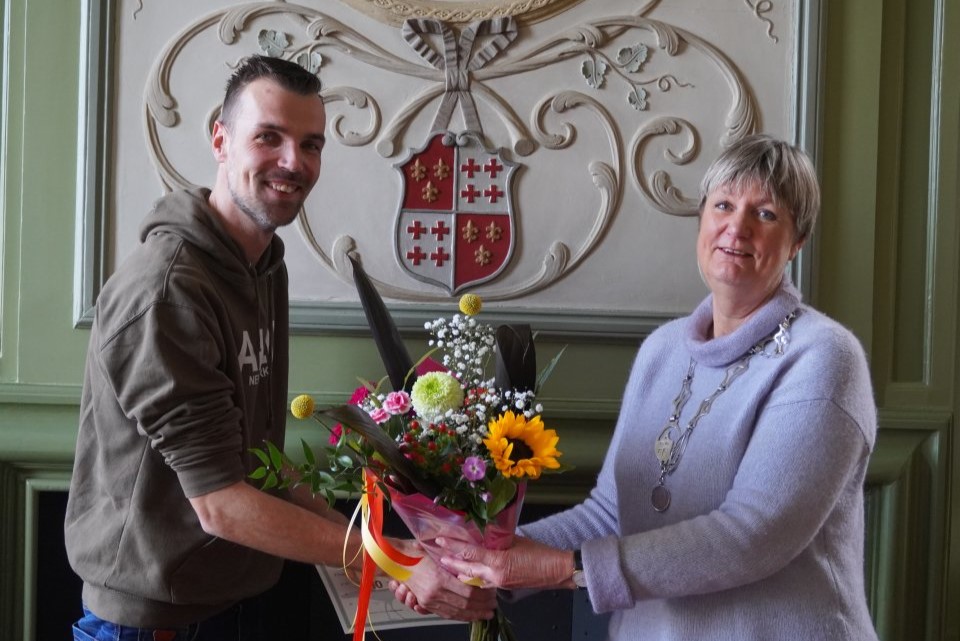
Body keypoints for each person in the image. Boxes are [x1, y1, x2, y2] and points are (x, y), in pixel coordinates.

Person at [64, 54, 494, 641]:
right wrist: (392, 557)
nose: (294, 162)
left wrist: (380, 545)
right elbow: (218, 501)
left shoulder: (264, 266)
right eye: (269, 137)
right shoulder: (169, 294)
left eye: (311, 144)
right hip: (149, 621)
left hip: (224, 603)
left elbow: (252, 463)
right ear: (221, 139)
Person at [394, 134, 880, 640]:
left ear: (797, 240)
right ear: (701, 221)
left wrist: (558, 567)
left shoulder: (823, 358)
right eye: (724, 205)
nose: (736, 227)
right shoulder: (663, 350)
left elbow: (753, 536)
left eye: (766, 215)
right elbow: (612, 512)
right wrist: (477, 559)